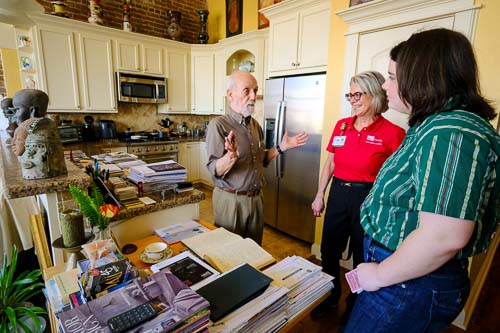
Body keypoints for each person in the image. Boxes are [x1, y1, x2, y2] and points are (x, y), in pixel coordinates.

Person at [345, 28, 499, 333]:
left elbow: (444, 236)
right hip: (405, 276)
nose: (385, 86)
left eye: (391, 77)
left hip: (408, 284)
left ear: (422, 78)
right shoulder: (432, 125)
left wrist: (378, 274)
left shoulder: (451, 131)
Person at [310, 71, 405, 318]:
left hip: (368, 198)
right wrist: (320, 194)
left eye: (357, 94)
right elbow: (330, 163)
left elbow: (397, 177)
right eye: (350, 94)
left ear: (374, 95)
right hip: (339, 193)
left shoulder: (393, 133)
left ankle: (354, 303)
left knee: (363, 258)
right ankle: (330, 296)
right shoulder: (342, 125)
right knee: (329, 251)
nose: (352, 100)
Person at [206, 70, 308, 245]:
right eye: (247, 90)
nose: (254, 96)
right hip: (232, 202)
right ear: (231, 94)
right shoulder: (218, 125)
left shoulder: (255, 126)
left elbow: (262, 161)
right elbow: (214, 170)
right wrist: (231, 156)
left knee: (254, 252)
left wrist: (281, 147)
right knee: (229, 253)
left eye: (255, 90)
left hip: (256, 200)